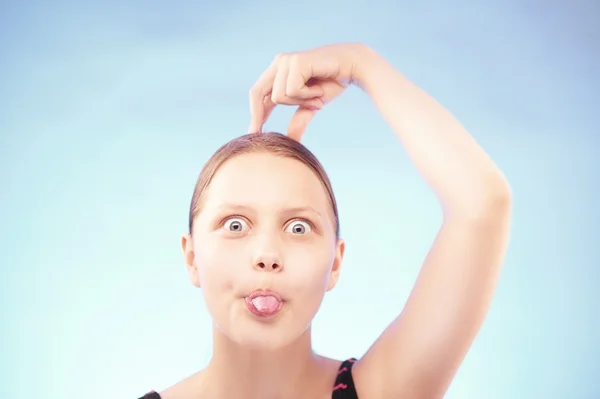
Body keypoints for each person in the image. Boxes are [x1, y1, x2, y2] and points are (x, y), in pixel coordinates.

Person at [138, 42, 512, 399]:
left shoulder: (381, 393)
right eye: (235, 225)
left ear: (335, 261)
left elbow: (481, 203)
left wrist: (359, 64)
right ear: (191, 258)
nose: (267, 254)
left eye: (298, 227)